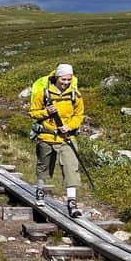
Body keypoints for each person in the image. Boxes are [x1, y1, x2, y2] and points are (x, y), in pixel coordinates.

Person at [29, 63, 85, 217]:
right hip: (46, 136)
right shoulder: (43, 92)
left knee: (71, 167)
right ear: (57, 77)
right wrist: (46, 112)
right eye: (63, 79)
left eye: (69, 79)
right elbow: (33, 113)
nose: (66, 82)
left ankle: (72, 203)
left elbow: (79, 114)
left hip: (67, 137)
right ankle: (40, 191)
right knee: (43, 166)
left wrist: (70, 126)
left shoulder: (75, 94)